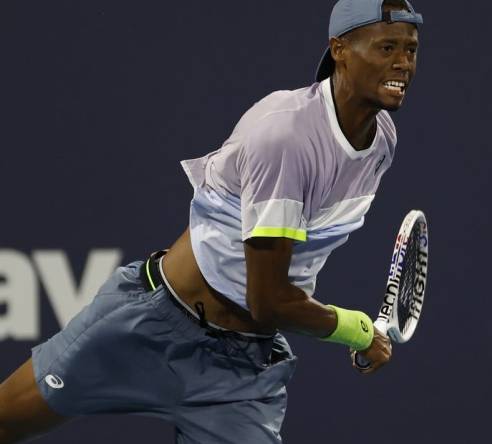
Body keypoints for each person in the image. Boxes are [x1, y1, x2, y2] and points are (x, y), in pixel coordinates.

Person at [0, 0, 422, 442]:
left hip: (241, 371)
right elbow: (269, 299)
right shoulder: (286, 136)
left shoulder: (382, 143)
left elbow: (295, 265)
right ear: (340, 49)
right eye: (386, 47)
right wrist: (354, 331)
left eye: (410, 50)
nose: (402, 63)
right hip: (154, 327)